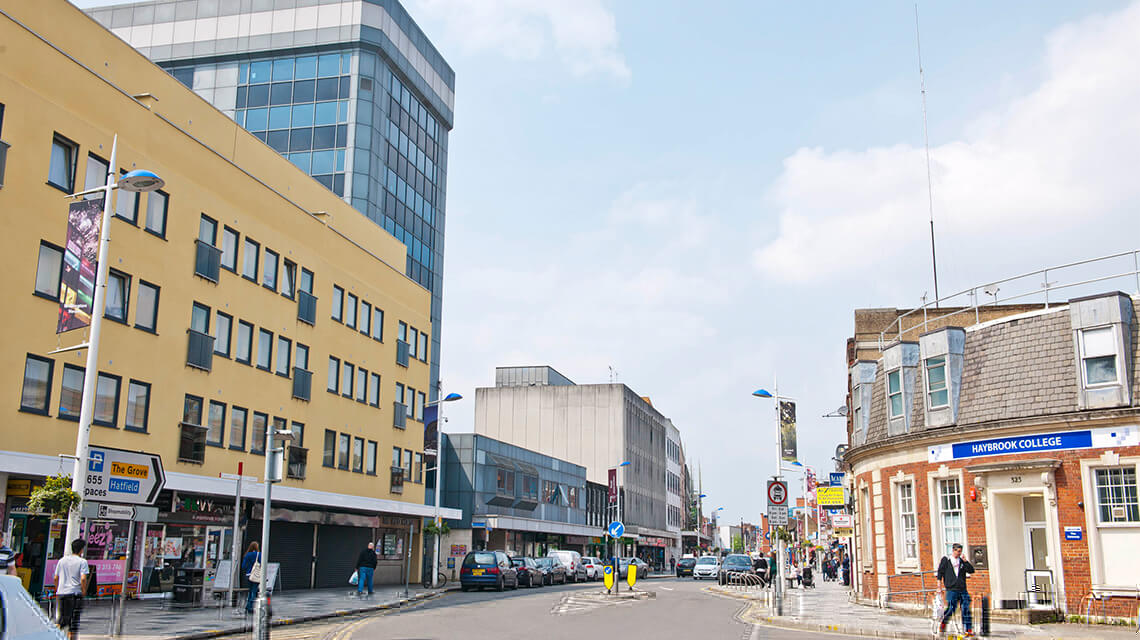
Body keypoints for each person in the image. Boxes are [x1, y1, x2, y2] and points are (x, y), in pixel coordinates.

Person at [937, 543, 976, 637]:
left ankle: (968, 629)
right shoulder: (946, 560)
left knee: (966, 608)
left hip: (962, 589)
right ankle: (943, 622)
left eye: (960, 551)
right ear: (953, 550)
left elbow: (971, 570)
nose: (959, 553)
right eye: (958, 551)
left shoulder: (962, 561)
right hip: (951, 589)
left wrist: (966, 561)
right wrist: (939, 587)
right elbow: (940, 573)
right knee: (951, 608)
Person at [54, 538, 90, 640]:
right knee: (73, 621)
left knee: (62, 619)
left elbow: (56, 578)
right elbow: (83, 579)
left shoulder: (62, 561)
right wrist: (84, 591)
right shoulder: (82, 562)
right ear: (81, 550)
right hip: (75, 594)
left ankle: (53, 634)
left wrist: (58, 590)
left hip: (62, 593)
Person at [241, 541, 260, 615]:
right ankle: (250, 607)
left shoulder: (247, 555)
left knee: (250, 590)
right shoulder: (259, 554)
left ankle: (248, 606)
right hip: (256, 575)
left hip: (248, 575)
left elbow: (243, 566)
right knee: (254, 591)